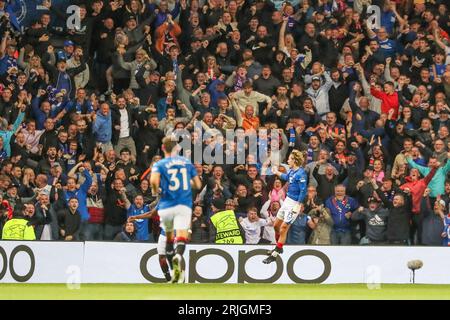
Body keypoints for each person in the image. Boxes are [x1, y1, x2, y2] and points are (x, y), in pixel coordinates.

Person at [150, 136, 201, 283]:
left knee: (169, 236)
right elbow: (197, 184)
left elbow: (154, 182)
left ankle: (173, 260)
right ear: (177, 149)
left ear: (163, 148)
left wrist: (156, 191)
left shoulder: (160, 164)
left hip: (167, 204)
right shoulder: (186, 163)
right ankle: (177, 255)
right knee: (180, 237)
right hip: (184, 203)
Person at [263, 150, 307, 264]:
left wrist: (298, 204)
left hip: (294, 204)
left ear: (294, 160)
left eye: (289, 159)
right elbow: (286, 176)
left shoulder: (301, 174)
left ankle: (275, 253)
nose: (287, 161)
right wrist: (276, 172)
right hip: (287, 201)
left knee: (283, 228)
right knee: (276, 226)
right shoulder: (292, 171)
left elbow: (303, 190)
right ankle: (279, 246)